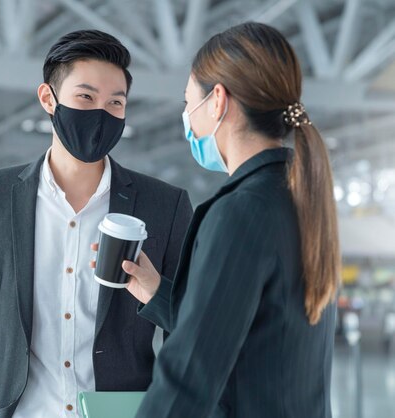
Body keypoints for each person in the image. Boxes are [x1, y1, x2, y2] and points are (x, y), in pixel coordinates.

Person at [0, 30, 193, 418]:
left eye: (116, 103)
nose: (101, 113)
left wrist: (156, 293)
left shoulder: (165, 206)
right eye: (85, 97)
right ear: (48, 98)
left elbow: (193, 330)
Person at [99, 22, 341, 417]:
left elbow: (189, 377)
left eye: (187, 103)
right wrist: (158, 293)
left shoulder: (240, 212)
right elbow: (243, 332)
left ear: (217, 101)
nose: (185, 118)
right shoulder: (297, 199)